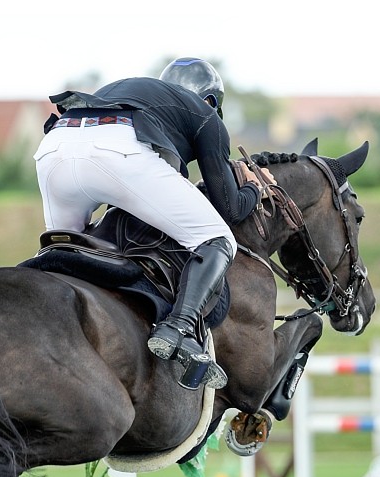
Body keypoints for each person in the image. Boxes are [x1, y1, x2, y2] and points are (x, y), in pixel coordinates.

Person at [34, 57, 274, 389]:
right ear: (210, 101)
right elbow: (231, 211)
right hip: (115, 151)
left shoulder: (138, 93)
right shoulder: (203, 113)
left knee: (66, 252)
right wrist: (254, 186)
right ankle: (180, 327)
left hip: (54, 149)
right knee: (218, 239)